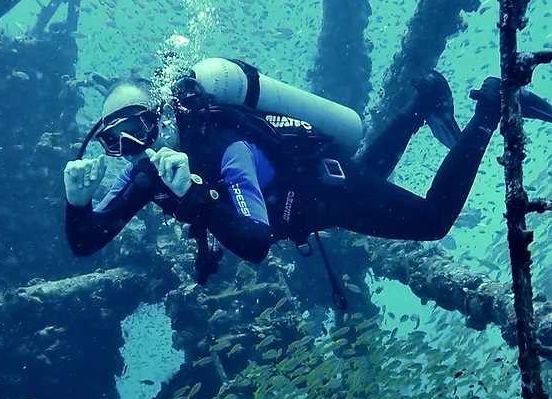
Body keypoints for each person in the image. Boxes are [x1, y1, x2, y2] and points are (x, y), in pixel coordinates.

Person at [64, 59, 552, 295]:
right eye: (115, 139)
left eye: (138, 128)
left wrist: (193, 194)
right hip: (311, 198)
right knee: (371, 176)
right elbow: (86, 241)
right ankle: (422, 105)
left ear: (162, 116)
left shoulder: (222, 147)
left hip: (320, 188)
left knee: (431, 220)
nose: (135, 147)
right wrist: (77, 202)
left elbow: (254, 241)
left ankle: (491, 107)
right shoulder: (144, 174)